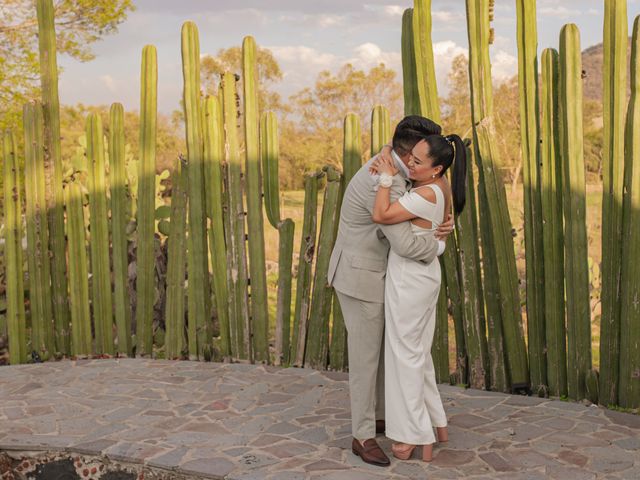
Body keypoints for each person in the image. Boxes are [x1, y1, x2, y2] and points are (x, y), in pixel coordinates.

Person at [327, 116, 455, 467]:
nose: (422, 161)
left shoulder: (397, 170)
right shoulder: (385, 181)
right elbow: (407, 246)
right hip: (361, 276)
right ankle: (362, 435)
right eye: (419, 154)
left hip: (376, 273)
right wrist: (438, 245)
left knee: (387, 350)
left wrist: (440, 221)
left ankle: (382, 417)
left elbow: (434, 199)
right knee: (367, 358)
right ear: (410, 149)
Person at [370, 132, 467, 462]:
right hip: (425, 275)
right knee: (418, 352)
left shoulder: (424, 192)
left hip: (410, 276)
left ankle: (413, 434)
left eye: (417, 161)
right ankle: (436, 422)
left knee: (404, 355)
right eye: (409, 156)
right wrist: (389, 155)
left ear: (436, 168)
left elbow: (381, 215)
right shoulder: (442, 186)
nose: (409, 163)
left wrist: (386, 179)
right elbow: (393, 149)